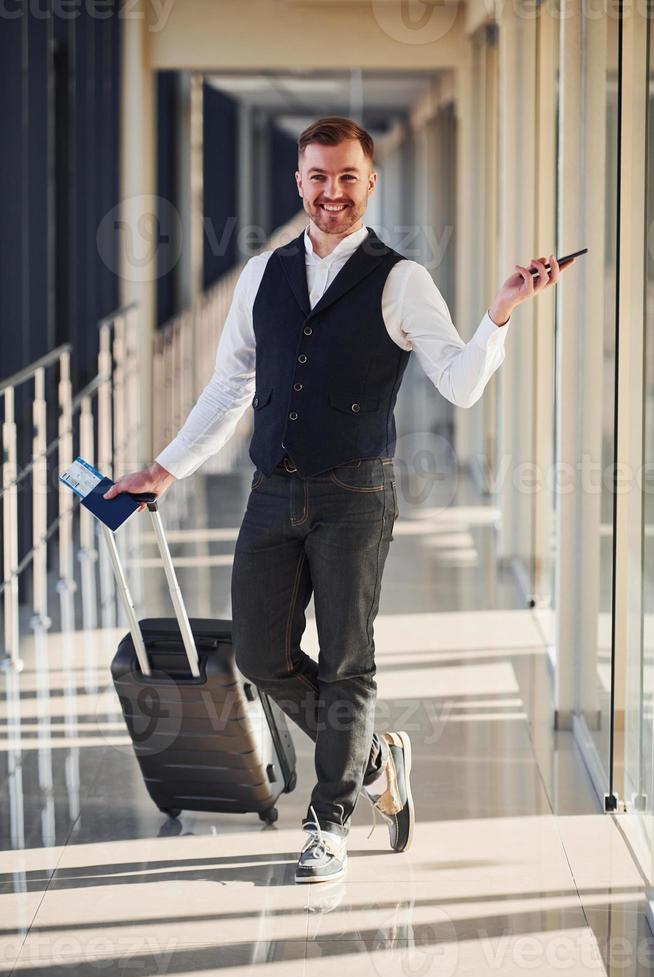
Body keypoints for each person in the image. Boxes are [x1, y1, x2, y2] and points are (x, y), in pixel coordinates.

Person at [105, 116, 575, 884]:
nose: (332, 192)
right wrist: (166, 467)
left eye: (347, 177)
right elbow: (231, 387)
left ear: (369, 183)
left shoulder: (402, 279)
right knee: (257, 652)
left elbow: (457, 383)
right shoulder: (262, 275)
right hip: (272, 489)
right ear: (299, 182)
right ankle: (374, 757)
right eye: (318, 177)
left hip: (356, 491)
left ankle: (330, 823)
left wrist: (499, 311)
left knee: (350, 659)